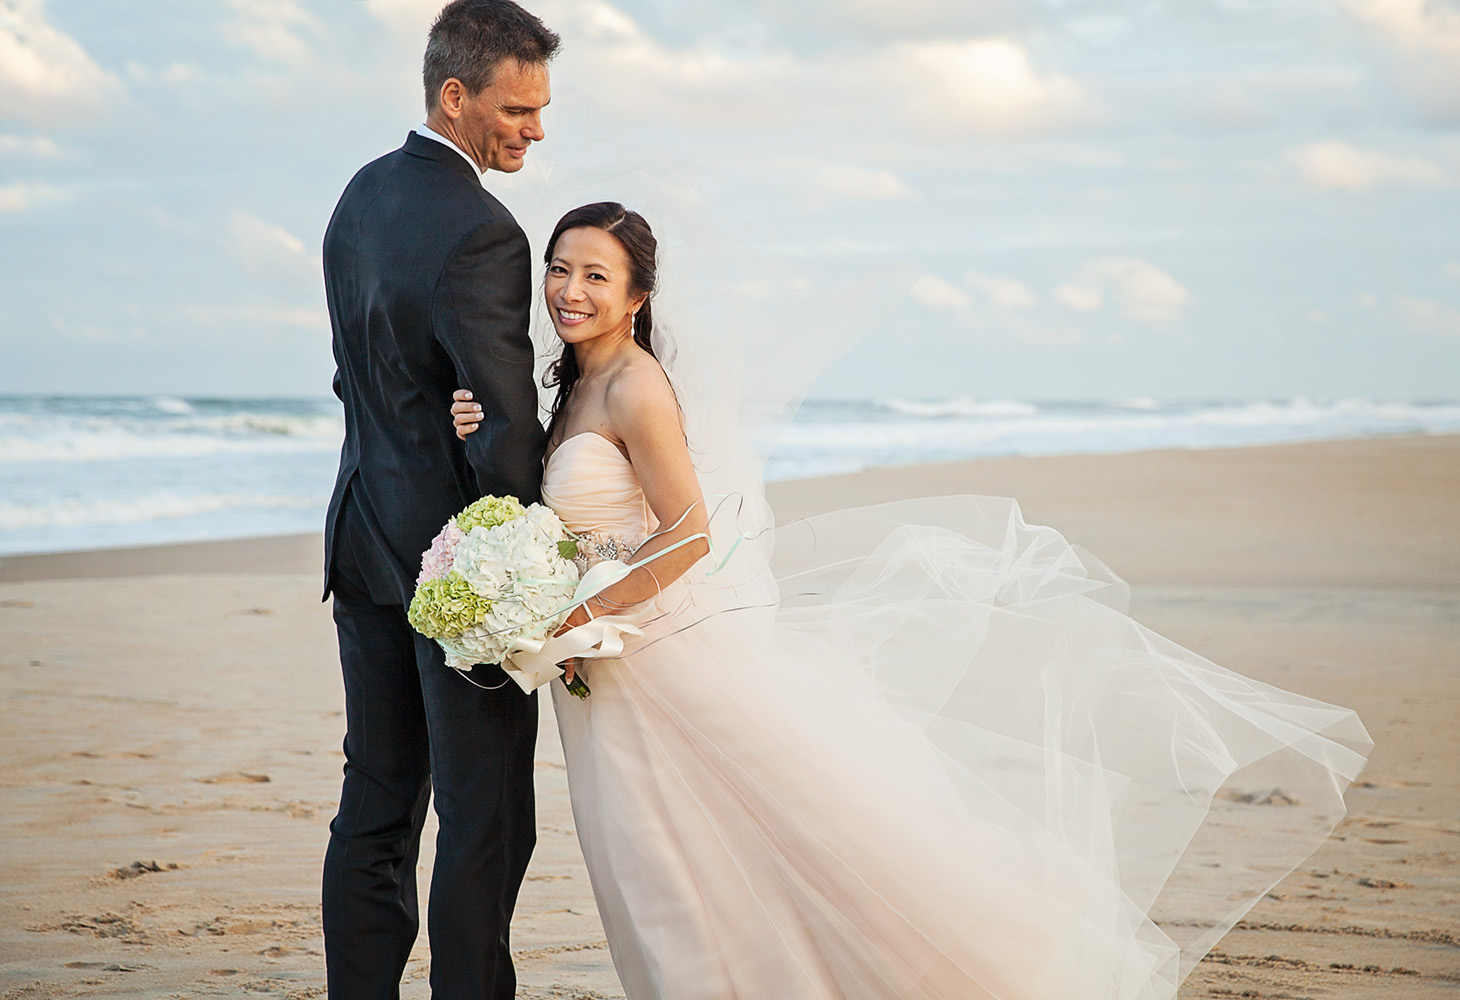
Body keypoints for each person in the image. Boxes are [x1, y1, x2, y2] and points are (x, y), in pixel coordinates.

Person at [451, 202, 1372, 1000]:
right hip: (604, 666)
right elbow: (570, 516)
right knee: (658, 867)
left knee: (714, 856)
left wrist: (579, 615)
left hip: (653, 657)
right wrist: (486, 436)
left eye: (596, 275)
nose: (571, 289)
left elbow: (690, 531)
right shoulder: (572, 383)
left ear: (638, 295)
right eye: (560, 270)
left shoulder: (637, 386)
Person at [319, 2, 558, 997]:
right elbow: (501, 428)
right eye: (515, 108)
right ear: (453, 96)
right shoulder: (483, 233)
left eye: (542, 111)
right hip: (457, 570)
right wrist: (523, 565)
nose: (533, 130)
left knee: (375, 796)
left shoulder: (358, 197)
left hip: (360, 536)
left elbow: (363, 379)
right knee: (483, 810)